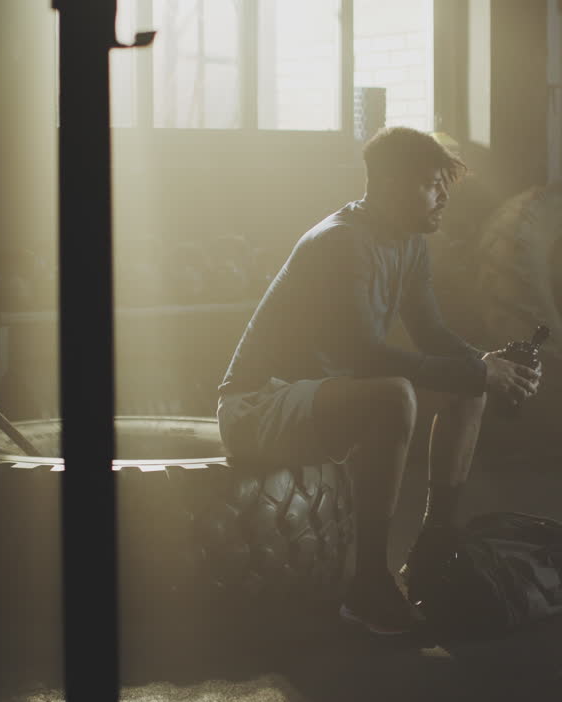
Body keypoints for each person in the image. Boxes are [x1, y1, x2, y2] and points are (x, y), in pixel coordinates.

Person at [216, 126, 542, 636]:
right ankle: (367, 585)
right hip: (257, 406)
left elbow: (432, 333)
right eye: (432, 183)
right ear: (390, 184)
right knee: (394, 395)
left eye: (444, 184)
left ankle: (435, 547)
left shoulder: (408, 240)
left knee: (467, 382)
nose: (443, 196)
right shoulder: (342, 242)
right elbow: (364, 354)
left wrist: (493, 365)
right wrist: (479, 367)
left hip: (320, 398)